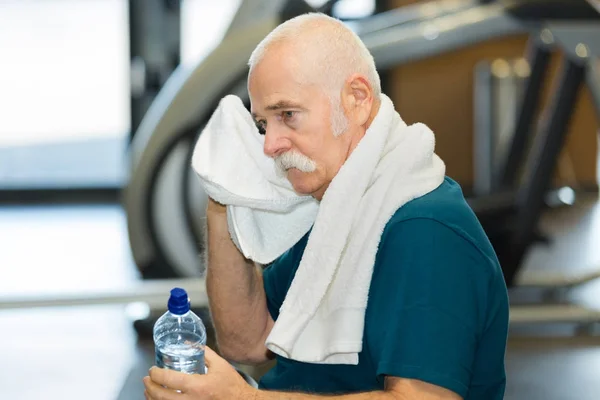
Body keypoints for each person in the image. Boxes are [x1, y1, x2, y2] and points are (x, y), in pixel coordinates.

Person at [144, 12, 509, 400]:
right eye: (264, 125)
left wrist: (245, 399)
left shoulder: (425, 230)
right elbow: (246, 342)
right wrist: (225, 195)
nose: (270, 146)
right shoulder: (335, 206)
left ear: (357, 99)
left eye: (287, 115)